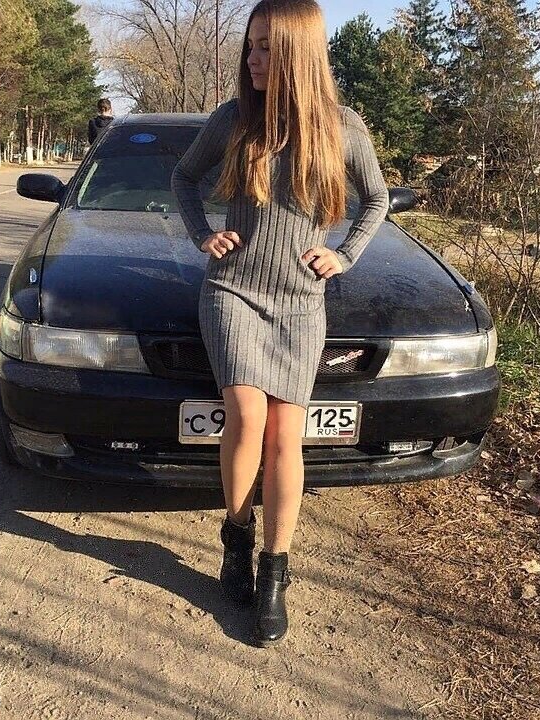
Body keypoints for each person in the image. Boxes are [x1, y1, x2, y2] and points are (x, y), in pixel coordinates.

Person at [171, 0, 389, 647]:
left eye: (266, 47)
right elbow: (184, 177)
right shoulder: (235, 118)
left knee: (286, 435)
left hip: (299, 302)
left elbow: (377, 198)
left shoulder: (342, 128)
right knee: (246, 414)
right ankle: (236, 537)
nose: (253, 59)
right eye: (251, 46)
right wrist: (203, 234)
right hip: (233, 291)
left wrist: (345, 254)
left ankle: (275, 572)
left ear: (299, 51)